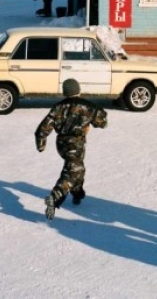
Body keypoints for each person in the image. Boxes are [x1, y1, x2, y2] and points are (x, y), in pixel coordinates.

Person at [35, 78, 108, 220]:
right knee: (73, 170)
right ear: (78, 90)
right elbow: (103, 122)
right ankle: (55, 197)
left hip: (61, 144)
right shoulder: (88, 106)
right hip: (76, 144)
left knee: (77, 167)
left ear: (65, 92)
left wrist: (41, 145)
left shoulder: (57, 107)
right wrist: (93, 123)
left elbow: (42, 129)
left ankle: (77, 194)